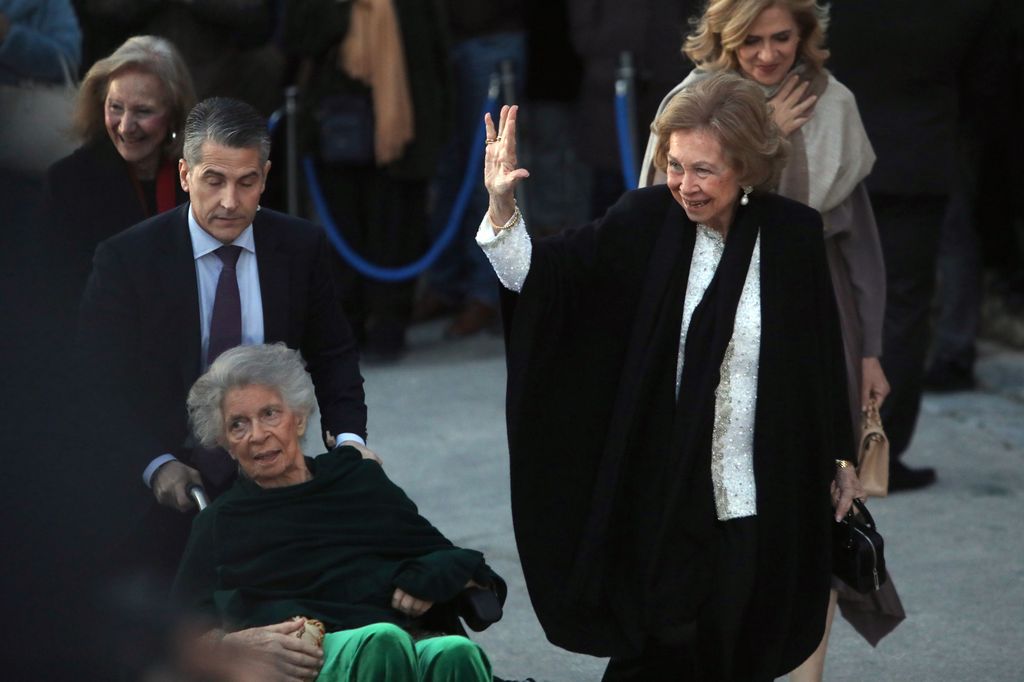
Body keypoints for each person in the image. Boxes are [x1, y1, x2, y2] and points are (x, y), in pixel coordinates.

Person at [478, 74, 861, 680]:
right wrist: (502, 205)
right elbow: (544, 280)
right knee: (656, 655)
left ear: (747, 168)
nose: (684, 185)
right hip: (663, 499)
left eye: (703, 170)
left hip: (758, 497)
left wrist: (840, 455)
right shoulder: (645, 218)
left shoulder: (793, 235)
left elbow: (817, 354)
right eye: (675, 165)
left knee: (741, 653)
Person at [636, 2, 903, 677]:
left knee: (819, 508)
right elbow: (655, 215)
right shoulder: (691, 99)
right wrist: (762, 143)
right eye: (750, 40)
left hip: (815, 324)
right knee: (715, 511)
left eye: (782, 37)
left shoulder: (832, 102)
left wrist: (870, 348)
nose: (766, 55)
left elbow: (857, 243)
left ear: (806, 35)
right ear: (724, 37)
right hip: (710, 327)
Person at [77, 96, 371, 586]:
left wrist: (349, 442)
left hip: (272, 473)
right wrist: (153, 464)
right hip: (163, 481)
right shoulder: (127, 260)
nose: (230, 201)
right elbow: (92, 384)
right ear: (186, 174)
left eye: (247, 182)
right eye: (213, 180)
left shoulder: (300, 247)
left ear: (266, 176)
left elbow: (334, 353)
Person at [173, 342, 502, 681]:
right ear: (226, 444)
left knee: (454, 653)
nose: (257, 435)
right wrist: (234, 645)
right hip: (310, 663)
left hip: (404, 636)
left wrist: (432, 576)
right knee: (382, 642)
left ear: (299, 420)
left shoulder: (357, 481)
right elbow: (179, 635)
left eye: (270, 414)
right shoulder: (221, 521)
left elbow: (462, 565)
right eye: (238, 425)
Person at [826, 0, 1005, 490]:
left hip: (839, 151)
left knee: (834, 294)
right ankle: (883, 456)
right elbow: (988, 86)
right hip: (917, 156)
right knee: (903, 308)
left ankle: (830, 443)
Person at [46, 35, 196, 310]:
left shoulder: (202, 178)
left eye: (143, 111)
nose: (126, 126)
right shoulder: (69, 183)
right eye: (115, 107)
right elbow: (57, 297)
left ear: (174, 113)